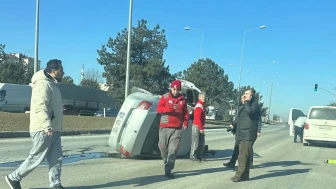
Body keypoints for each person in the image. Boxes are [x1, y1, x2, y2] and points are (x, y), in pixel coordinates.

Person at [5, 59, 65, 189]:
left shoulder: (53, 84)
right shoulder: (43, 84)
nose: (63, 72)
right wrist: (46, 125)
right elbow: (39, 106)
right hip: (43, 129)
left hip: (53, 128)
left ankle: (55, 184)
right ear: (53, 71)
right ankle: (13, 178)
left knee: (56, 158)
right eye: (61, 69)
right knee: (36, 157)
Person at [156, 80, 189, 179]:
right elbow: (158, 109)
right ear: (171, 88)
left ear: (179, 90)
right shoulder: (165, 97)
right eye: (174, 89)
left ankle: (168, 170)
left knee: (173, 150)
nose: (175, 91)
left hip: (176, 128)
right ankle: (165, 161)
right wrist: (169, 109)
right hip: (164, 126)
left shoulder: (183, 100)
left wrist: (185, 122)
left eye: (177, 90)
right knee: (163, 147)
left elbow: (185, 113)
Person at [230, 88, 260, 182]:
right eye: (244, 93)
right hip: (242, 133)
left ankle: (238, 175)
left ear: (252, 96)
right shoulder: (245, 105)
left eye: (247, 94)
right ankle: (245, 175)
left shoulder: (255, 105)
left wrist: (246, 102)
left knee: (242, 156)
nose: (245, 95)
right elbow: (239, 118)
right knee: (245, 156)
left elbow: (250, 112)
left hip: (248, 134)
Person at [190, 92, 206, 162]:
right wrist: (201, 128)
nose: (204, 99)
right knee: (195, 142)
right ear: (199, 98)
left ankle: (199, 155)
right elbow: (197, 118)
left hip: (200, 125)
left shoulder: (203, 105)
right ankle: (193, 155)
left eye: (204, 98)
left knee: (201, 142)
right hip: (197, 125)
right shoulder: (199, 106)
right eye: (202, 97)